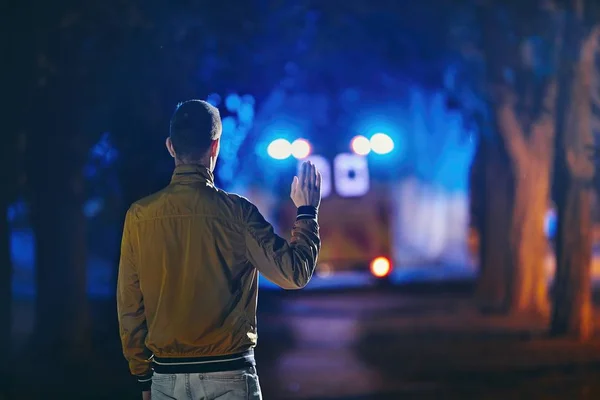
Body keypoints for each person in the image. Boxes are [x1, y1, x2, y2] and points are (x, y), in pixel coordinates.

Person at [117, 99, 322, 400]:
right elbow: (294, 274)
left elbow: (129, 307)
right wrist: (306, 211)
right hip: (228, 376)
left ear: (171, 147)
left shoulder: (139, 217)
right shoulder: (237, 214)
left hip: (166, 378)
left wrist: (143, 377)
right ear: (215, 147)